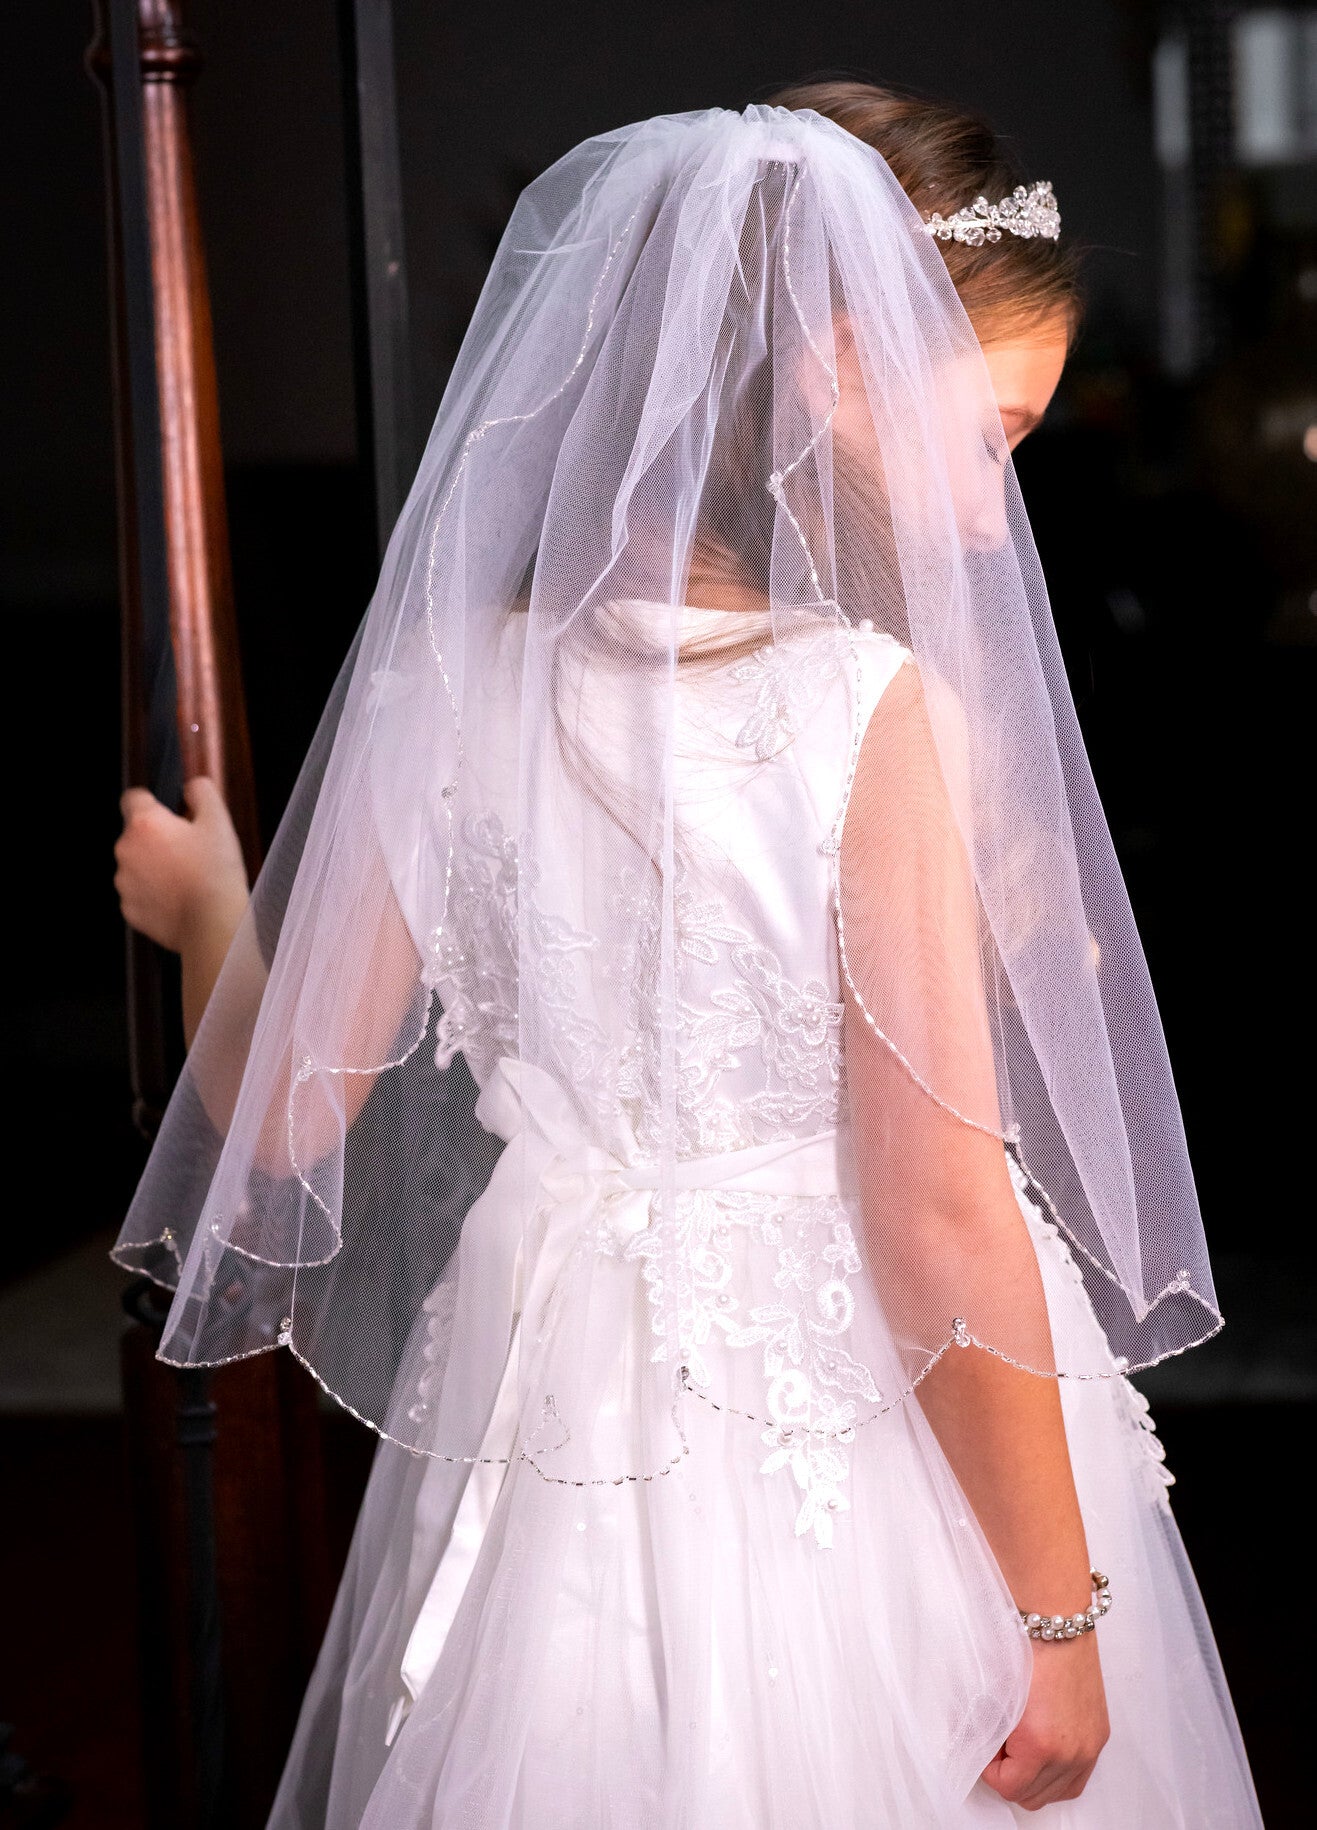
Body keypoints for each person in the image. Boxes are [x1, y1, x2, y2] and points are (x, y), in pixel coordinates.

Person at [113, 84, 1260, 1827]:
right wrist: (1055, 1608)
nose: (985, 520)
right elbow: (935, 1207)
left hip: (549, 1373)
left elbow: (277, 1120)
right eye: (989, 440)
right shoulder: (870, 713)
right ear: (834, 371)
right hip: (842, 1417)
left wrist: (213, 914)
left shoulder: (458, 684)